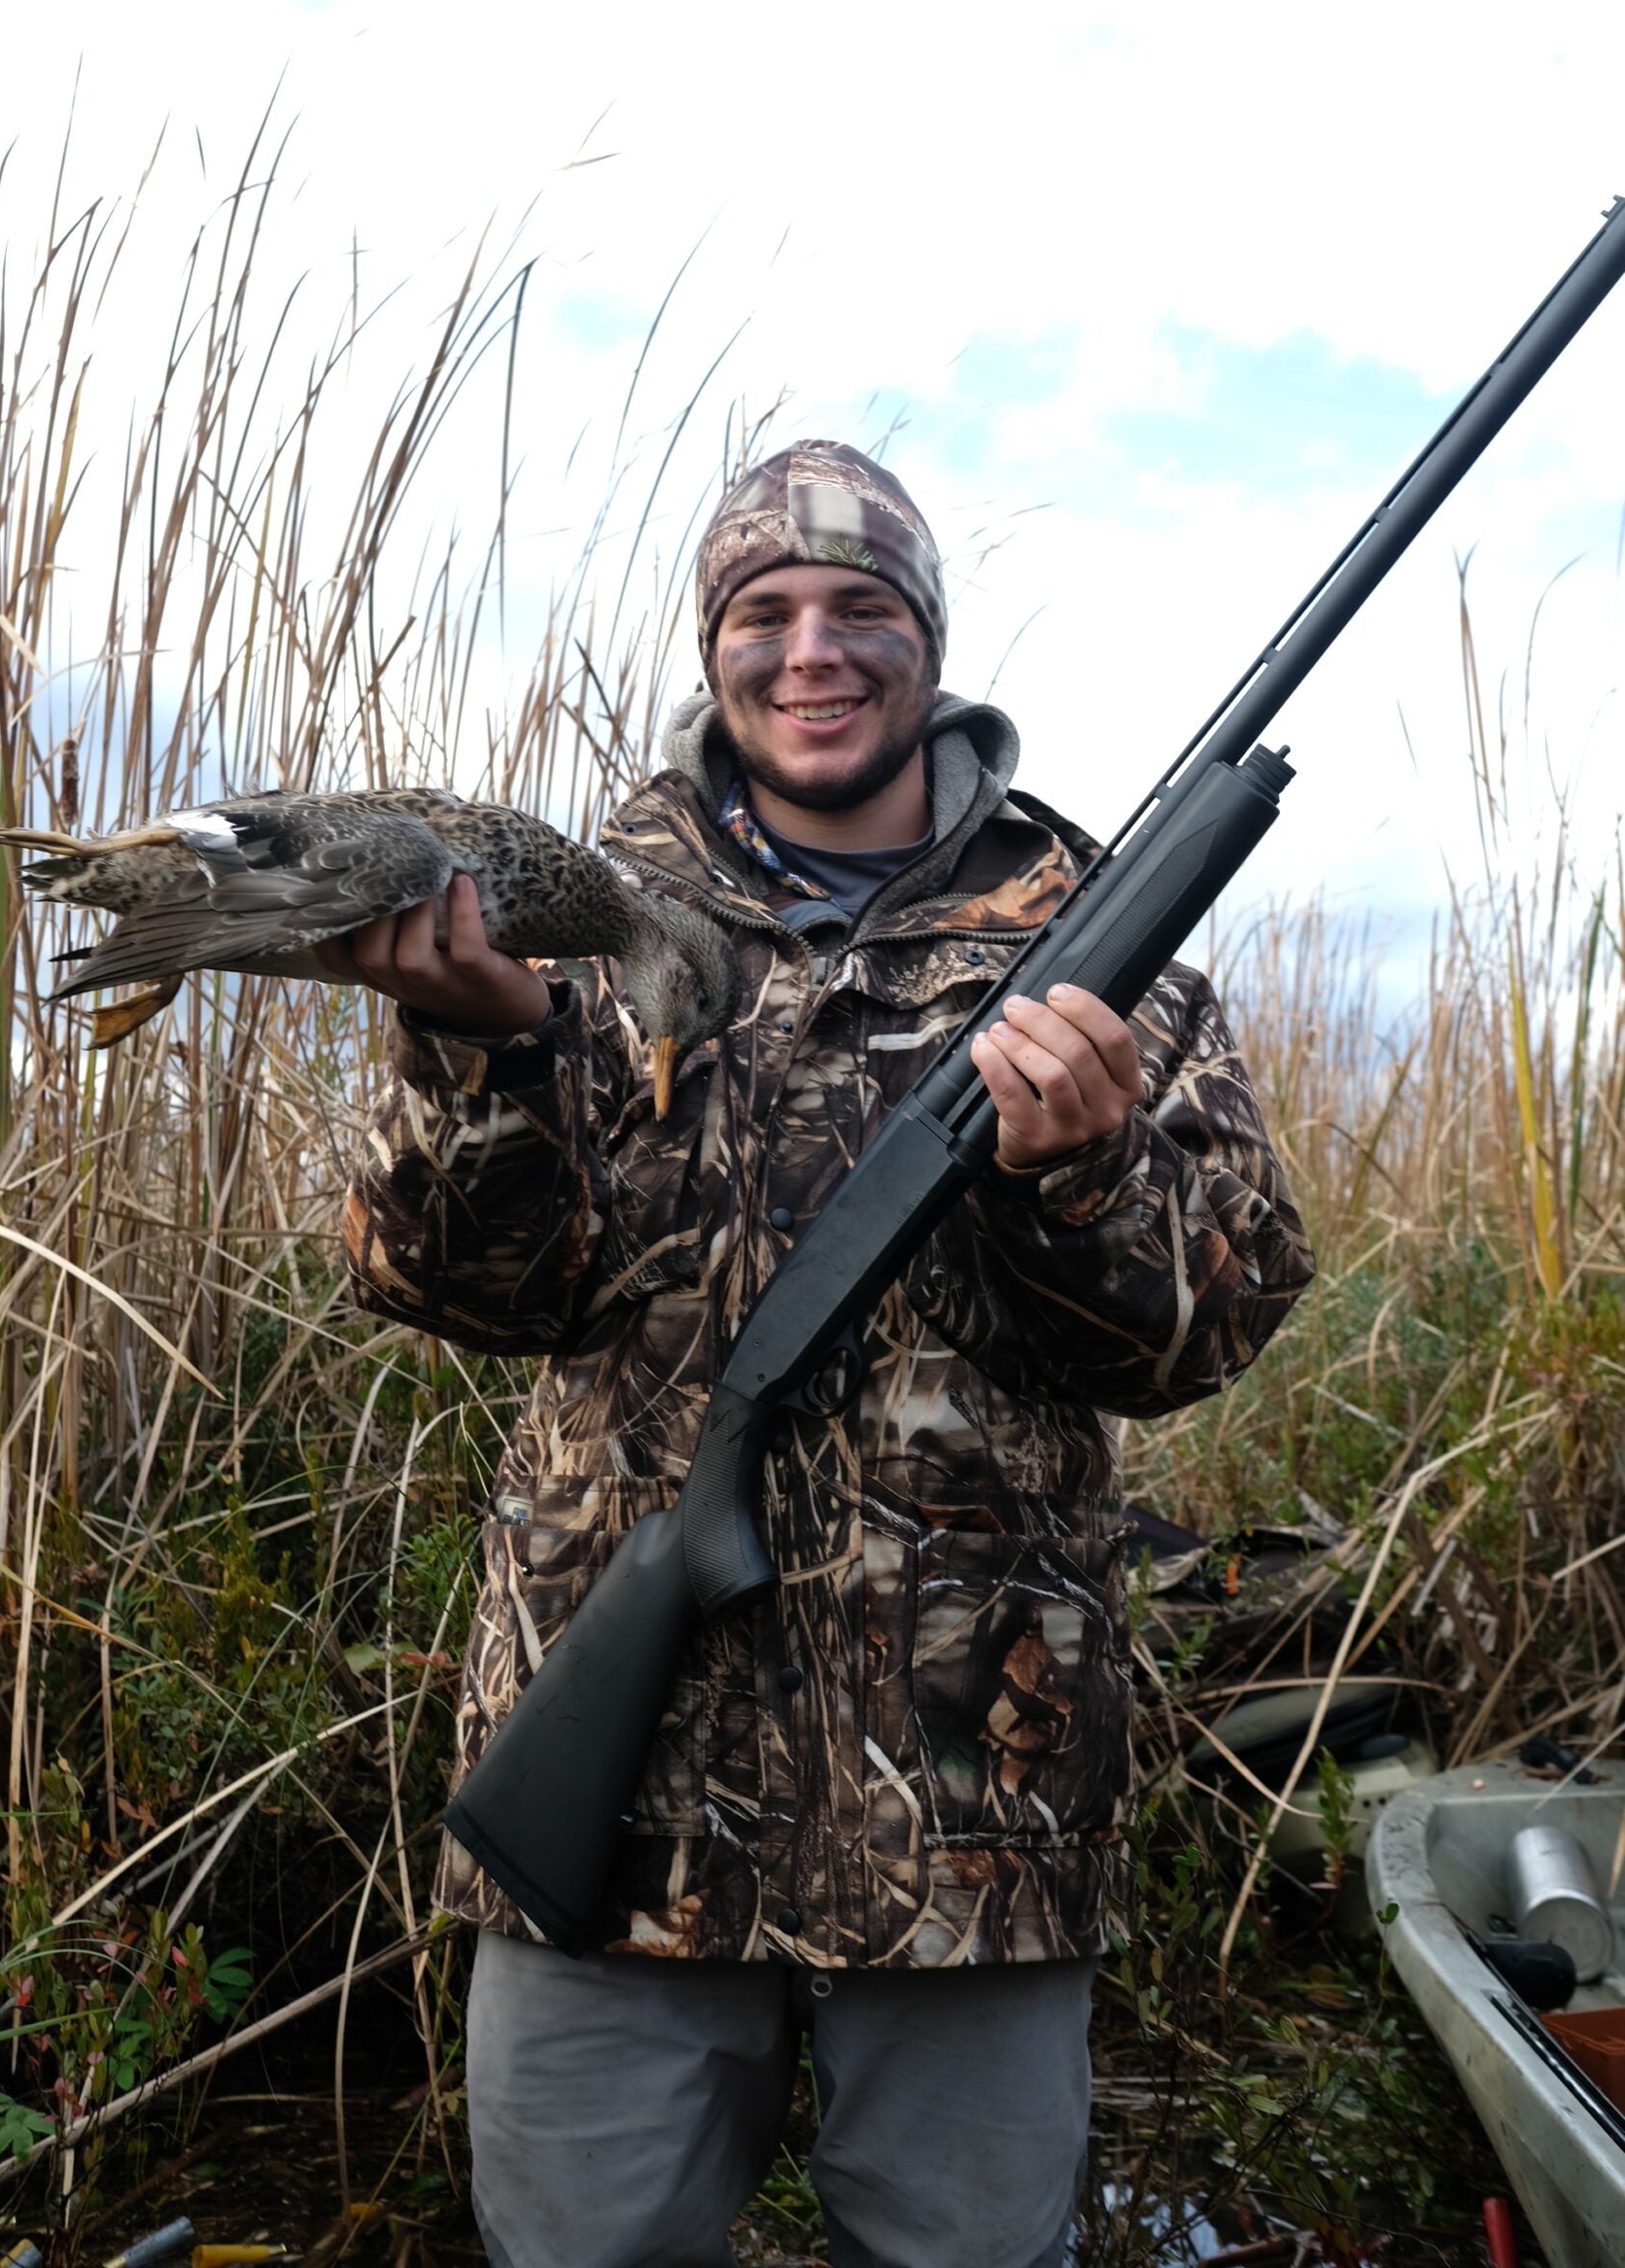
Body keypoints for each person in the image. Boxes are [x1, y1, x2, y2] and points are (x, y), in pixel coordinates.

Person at [336, 441, 1315, 2268]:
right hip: (614, 1811)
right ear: (715, 647)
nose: (813, 652)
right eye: (764, 614)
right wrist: (476, 1060)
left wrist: (1083, 1171)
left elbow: (1216, 1321)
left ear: (930, 646)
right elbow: (445, 1288)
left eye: (864, 611)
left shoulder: (1104, 942)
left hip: (978, 1814)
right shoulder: (562, 910)